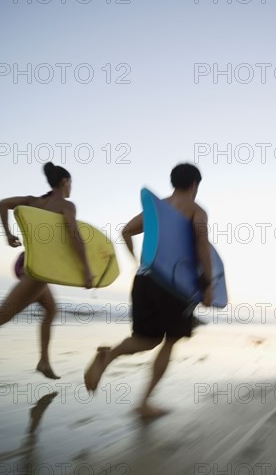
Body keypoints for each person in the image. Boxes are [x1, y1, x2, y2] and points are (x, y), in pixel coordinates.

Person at [84, 163, 212, 418]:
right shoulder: (197, 211)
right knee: (171, 340)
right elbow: (201, 246)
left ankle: (108, 357)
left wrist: (137, 261)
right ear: (195, 185)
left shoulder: (156, 208)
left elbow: (126, 231)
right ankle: (144, 402)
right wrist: (209, 284)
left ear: (173, 182)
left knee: (148, 338)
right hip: (173, 286)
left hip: (144, 279)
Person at [0, 162, 93, 379]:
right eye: (71, 183)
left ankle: (44, 362)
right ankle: (44, 361)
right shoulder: (66, 205)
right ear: (65, 182)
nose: (71, 188)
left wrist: (8, 234)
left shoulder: (34, 201)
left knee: (51, 310)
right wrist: (86, 269)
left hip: (25, 263)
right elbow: (75, 236)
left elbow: (3, 203)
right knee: (1, 317)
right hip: (37, 271)